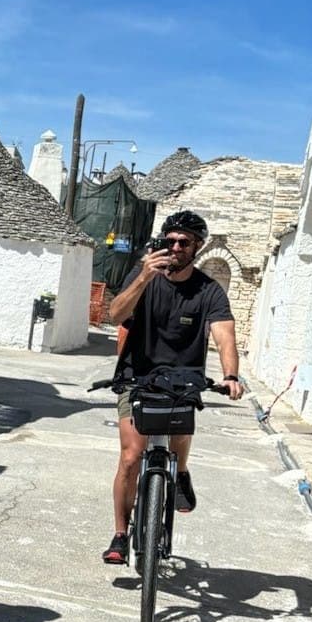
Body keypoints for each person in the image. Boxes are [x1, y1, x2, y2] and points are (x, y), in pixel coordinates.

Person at [102, 210, 245, 564]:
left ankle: (180, 473)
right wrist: (144, 277)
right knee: (131, 456)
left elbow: (225, 334)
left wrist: (231, 376)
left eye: (184, 242)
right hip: (137, 376)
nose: (176, 247)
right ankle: (121, 534)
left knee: (181, 418)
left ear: (197, 246)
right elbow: (115, 315)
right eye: (171, 241)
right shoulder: (145, 275)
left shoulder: (208, 291)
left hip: (184, 378)